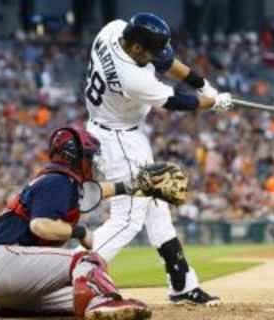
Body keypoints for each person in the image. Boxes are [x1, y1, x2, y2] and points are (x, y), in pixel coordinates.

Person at [84, 12, 232, 305]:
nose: (156, 57)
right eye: (149, 51)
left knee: (157, 206)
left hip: (120, 131)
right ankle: (74, 271)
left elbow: (165, 62)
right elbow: (177, 102)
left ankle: (182, 283)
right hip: (118, 141)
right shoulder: (132, 77)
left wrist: (203, 83)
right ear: (137, 48)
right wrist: (212, 102)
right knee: (128, 219)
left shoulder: (114, 30)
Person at [0, 126, 154, 320]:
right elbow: (40, 225)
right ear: (74, 157)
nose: (92, 162)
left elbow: (94, 192)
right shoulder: (58, 181)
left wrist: (134, 187)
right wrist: (80, 232)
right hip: (8, 260)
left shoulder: (59, 181)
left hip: (11, 275)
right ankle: (104, 304)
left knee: (76, 293)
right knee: (87, 260)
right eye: (89, 157)